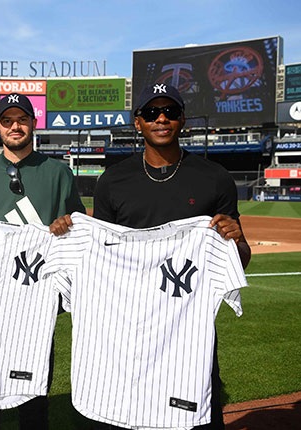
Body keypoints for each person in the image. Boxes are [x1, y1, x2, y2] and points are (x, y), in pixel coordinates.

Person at [51, 83, 251, 430]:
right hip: (123, 329)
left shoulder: (214, 178)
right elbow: (102, 254)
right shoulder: (113, 181)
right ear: (137, 122)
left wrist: (235, 240)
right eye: (151, 113)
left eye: (170, 112)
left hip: (186, 330)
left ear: (182, 120)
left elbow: (240, 259)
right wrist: (68, 233)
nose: (161, 119)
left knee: (195, 415)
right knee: (121, 415)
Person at [0, 93, 86, 429]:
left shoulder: (58, 173)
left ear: (33, 123)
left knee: (34, 395)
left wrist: (67, 224)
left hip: (37, 300)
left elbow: (80, 228)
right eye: (8, 120)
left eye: (23, 119)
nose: (16, 126)